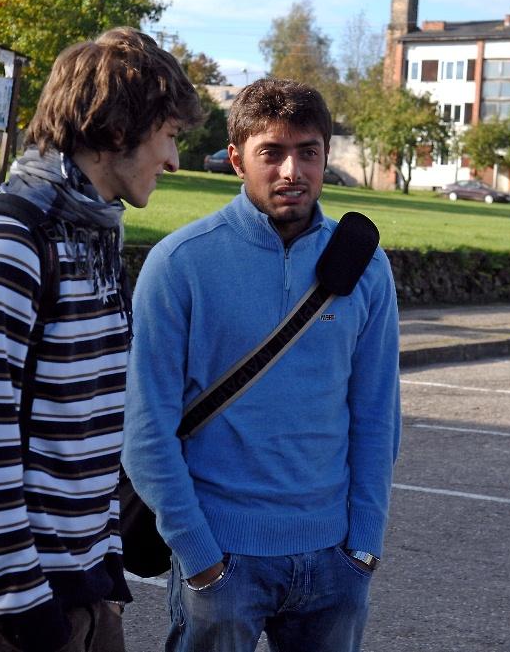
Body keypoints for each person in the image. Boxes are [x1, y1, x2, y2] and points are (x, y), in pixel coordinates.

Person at [0, 27, 202, 652]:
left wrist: (105, 568)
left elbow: (91, 431)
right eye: (169, 134)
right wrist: (34, 618)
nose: (174, 160)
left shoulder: (90, 236)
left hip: (86, 593)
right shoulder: (5, 246)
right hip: (13, 615)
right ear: (119, 131)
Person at [123, 78, 401, 652]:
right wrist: (200, 557)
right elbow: (146, 432)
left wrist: (364, 547)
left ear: (326, 155)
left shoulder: (366, 266)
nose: (291, 171)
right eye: (271, 152)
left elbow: (377, 417)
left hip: (334, 560)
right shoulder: (180, 264)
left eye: (308, 152)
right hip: (222, 557)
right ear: (236, 159)